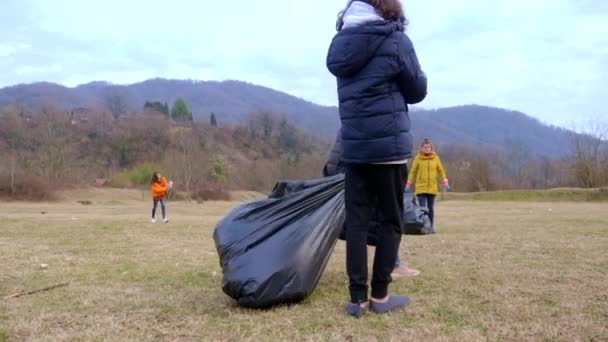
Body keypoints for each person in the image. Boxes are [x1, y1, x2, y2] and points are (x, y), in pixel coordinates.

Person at [326, 0, 427, 316]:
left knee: (356, 223)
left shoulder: (340, 44)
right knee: (390, 221)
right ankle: (381, 296)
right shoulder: (396, 39)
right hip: (388, 150)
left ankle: (357, 299)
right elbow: (416, 90)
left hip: (354, 150)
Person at [323, 130, 421, 278]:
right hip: (363, 168)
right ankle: (393, 265)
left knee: (361, 224)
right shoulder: (376, 120)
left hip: (347, 168)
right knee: (387, 219)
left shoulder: (352, 117)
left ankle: (388, 266)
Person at [406, 138, 450, 228]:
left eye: (428, 147)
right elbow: (413, 172)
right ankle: (423, 227)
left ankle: (430, 227)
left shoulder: (436, 158)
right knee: (422, 208)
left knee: (430, 208)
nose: (426, 149)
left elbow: (441, 171)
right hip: (421, 187)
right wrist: (408, 185)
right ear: (422, 148)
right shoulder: (417, 158)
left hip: (432, 187)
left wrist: (445, 182)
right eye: (425, 147)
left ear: (431, 148)